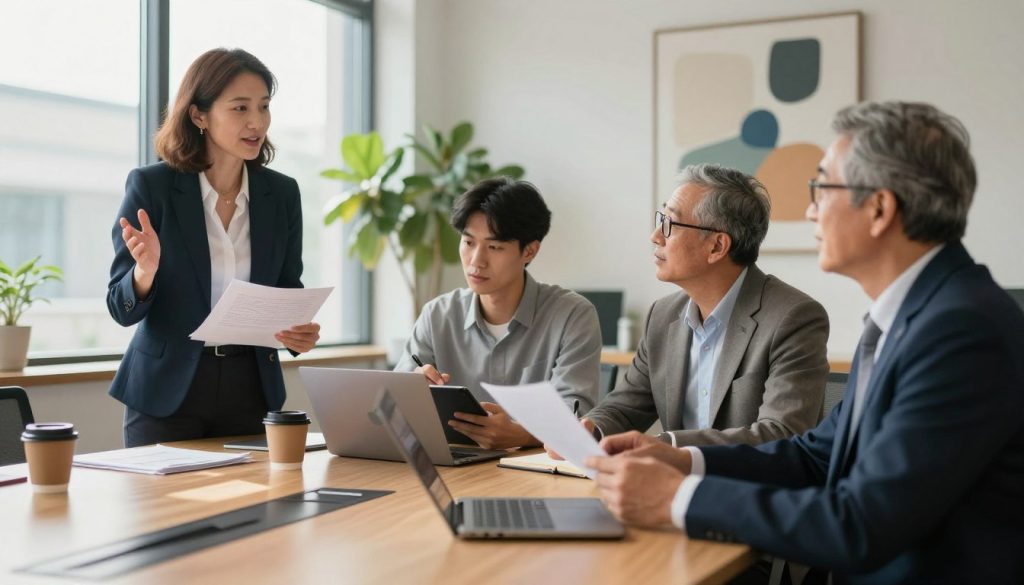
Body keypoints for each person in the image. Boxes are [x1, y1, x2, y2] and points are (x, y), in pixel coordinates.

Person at [587, 102, 1024, 584]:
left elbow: (861, 524)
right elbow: (815, 455)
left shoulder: (960, 330)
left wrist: (676, 498)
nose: (810, 209)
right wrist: (681, 458)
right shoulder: (910, 316)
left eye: (821, 188)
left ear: (879, 209)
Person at [107, 48, 320, 448]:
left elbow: (287, 285)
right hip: (166, 391)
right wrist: (144, 273)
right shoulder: (152, 187)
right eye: (240, 108)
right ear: (199, 115)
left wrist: (298, 332)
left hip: (251, 389)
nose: (257, 122)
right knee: (165, 511)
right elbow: (120, 308)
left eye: (264, 106)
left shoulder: (282, 194)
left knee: (254, 510)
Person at [574, 164, 829, 447]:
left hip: (751, 487)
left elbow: (780, 434)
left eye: (670, 223)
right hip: (672, 487)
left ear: (717, 247)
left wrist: (667, 445)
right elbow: (624, 407)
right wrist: (590, 429)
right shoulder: (662, 315)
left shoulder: (793, 317)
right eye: (661, 218)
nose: (656, 236)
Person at [394, 177, 601, 450]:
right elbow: (393, 407)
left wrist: (522, 435)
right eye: (468, 242)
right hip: (453, 468)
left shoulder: (572, 316)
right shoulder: (437, 315)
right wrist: (412, 390)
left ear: (529, 250)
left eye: (494, 247)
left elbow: (576, 419)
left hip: (536, 475)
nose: (476, 261)